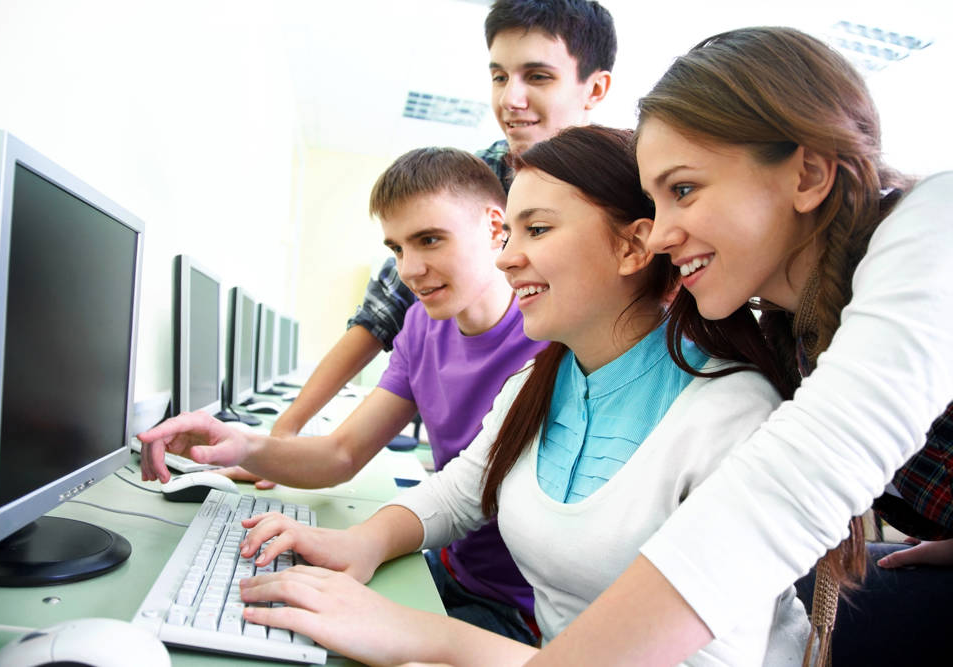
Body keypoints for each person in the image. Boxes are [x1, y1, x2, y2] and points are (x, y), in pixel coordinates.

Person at [222, 126, 811, 666]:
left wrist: (425, 634)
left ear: (632, 248)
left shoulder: (733, 414)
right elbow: (458, 495)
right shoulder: (541, 380)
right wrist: (359, 542)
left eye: (537, 229)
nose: (505, 258)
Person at [622, 26, 952, 666]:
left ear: (808, 174)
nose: (661, 233)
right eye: (653, 202)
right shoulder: (791, 331)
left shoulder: (935, 223)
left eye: (683, 189)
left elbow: (788, 489)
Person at [140, 147, 549, 643]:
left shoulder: (549, 334)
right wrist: (241, 444)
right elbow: (343, 452)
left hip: (517, 606)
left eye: (429, 240)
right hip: (447, 564)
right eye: (397, 248)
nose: (410, 269)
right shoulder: (420, 326)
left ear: (493, 226)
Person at [263, 0, 614, 443]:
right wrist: (285, 430)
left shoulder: (630, 190)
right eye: (499, 77)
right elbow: (383, 311)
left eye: (538, 76)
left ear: (595, 89)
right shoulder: (482, 178)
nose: (510, 99)